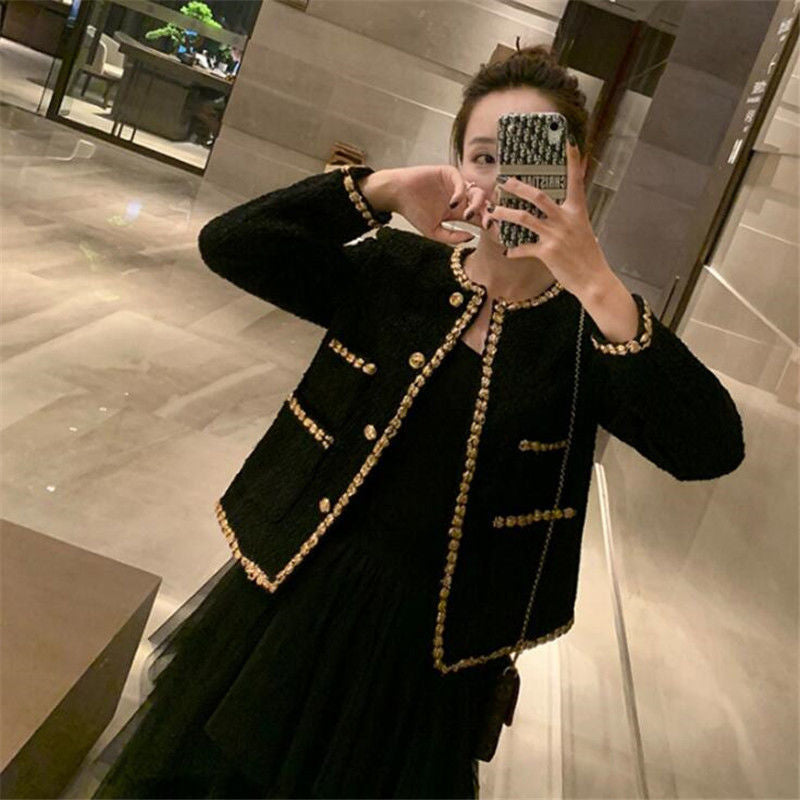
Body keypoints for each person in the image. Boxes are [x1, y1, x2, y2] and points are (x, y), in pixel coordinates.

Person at [90, 44, 745, 799]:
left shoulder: (586, 336)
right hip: (291, 602)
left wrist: (595, 280)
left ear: (577, 172)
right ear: (458, 164)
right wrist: (382, 190)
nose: (505, 181)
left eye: (530, 159)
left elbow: (709, 447)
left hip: (430, 668)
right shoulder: (396, 272)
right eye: (484, 156)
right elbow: (233, 244)